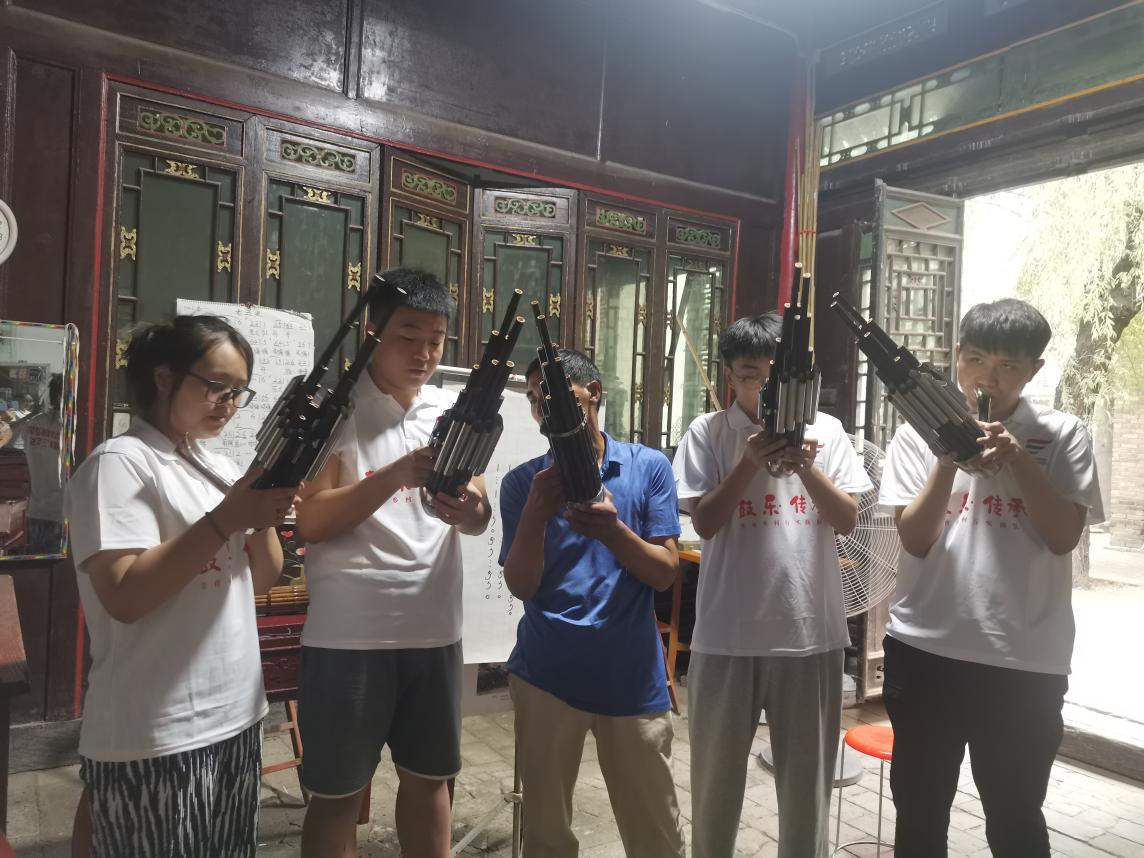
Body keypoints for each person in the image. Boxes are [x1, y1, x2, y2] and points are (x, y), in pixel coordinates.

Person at [65, 316, 300, 858]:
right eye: (218, 386)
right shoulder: (120, 464)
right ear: (164, 377)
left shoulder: (215, 465)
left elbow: (262, 577)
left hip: (237, 714)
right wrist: (228, 518)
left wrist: (264, 508)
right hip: (157, 727)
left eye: (239, 392)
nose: (229, 404)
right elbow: (124, 595)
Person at [878, 298, 1104, 857]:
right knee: (919, 813)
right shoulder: (914, 435)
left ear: (1034, 370)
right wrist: (945, 457)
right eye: (977, 359)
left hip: (1023, 661)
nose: (989, 378)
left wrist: (1019, 459)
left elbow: (1063, 537)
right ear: (957, 355)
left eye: (1008, 366)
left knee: (1015, 816)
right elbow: (916, 539)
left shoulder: (1063, 435)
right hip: (924, 651)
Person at [294, 268, 490, 858]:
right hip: (349, 636)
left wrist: (471, 509)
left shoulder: (452, 410)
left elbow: (478, 515)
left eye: (436, 340)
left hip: (434, 629)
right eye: (408, 337)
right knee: (336, 794)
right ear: (373, 331)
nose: (424, 353)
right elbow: (311, 521)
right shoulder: (335, 409)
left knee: (430, 781)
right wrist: (395, 475)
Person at [672, 313, 873, 858]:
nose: (762, 391)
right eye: (748, 377)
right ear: (729, 376)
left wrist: (805, 466)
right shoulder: (708, 433)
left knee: (807, 794)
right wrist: (747, 463)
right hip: (726, 636)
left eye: (773, 379)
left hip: (811, 635)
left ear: (797, 378)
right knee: (714, 789)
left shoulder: (827, 432)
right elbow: (704, 522)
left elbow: (848, 519)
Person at [500, 347, 686, 858]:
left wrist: (613, 531)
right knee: (546, 834)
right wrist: (536, 512)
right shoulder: (523, 483)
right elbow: (521, 585)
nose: (543, 407)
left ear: (593, 394)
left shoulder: (647, 467)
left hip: (631, 673)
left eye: (554, 395)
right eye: (534, 399)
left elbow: (665, 573)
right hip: (546, 672)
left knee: (656, 833)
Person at [19, 374, 65, 553]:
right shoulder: (69, 428)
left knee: (35, 564)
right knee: (55, 564)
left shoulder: (32, 423)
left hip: (35, 510)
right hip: (60, 513)